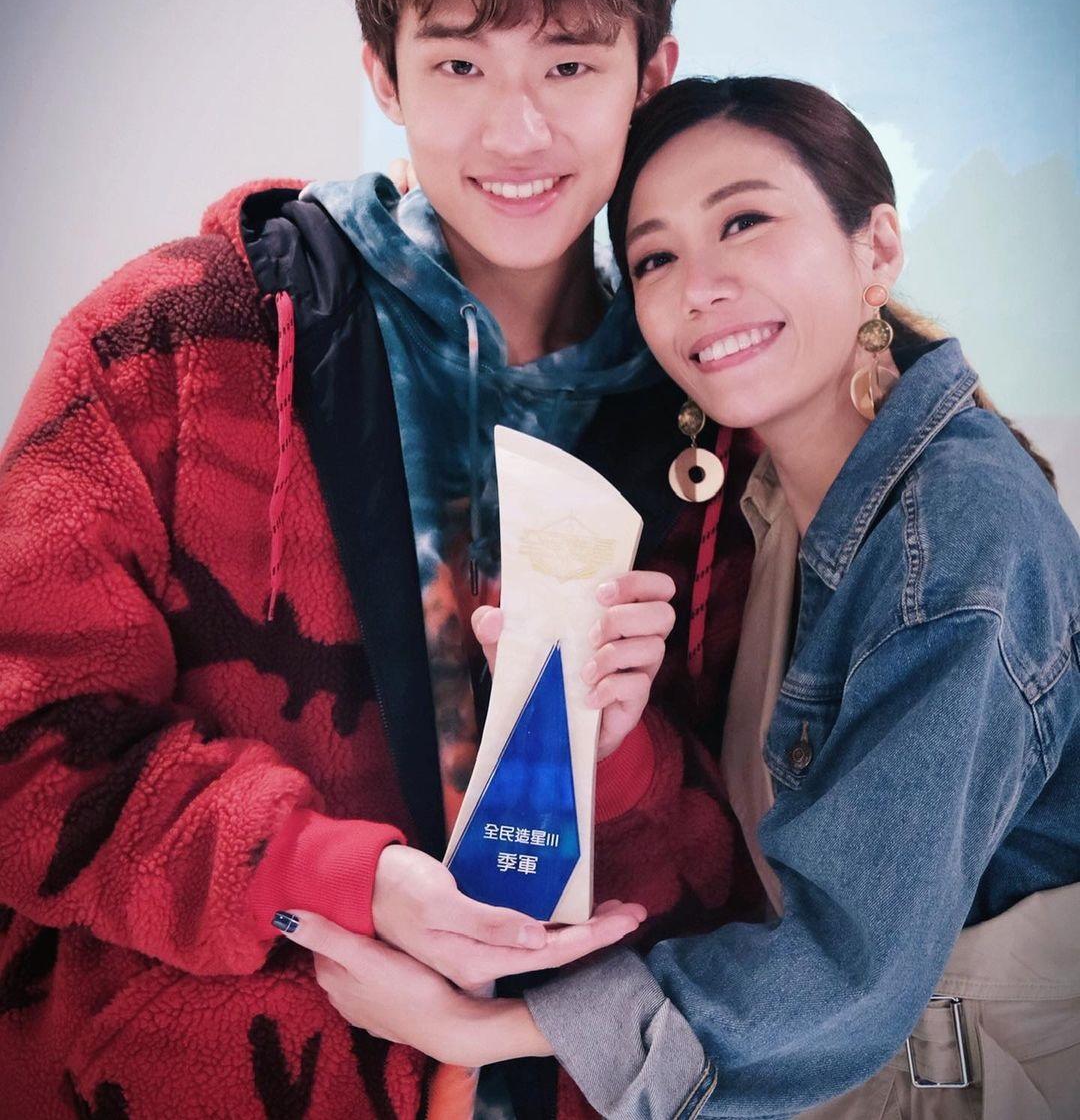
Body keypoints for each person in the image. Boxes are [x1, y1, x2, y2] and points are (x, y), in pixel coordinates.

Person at [0, 0, 763, 1120]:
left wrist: (622, 758)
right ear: (384, 75)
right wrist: (335, 877)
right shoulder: (176, 340)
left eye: (570, 62)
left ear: (651, 75)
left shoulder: (707, 423)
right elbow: (24, 746)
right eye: (460, 61)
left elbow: (724, 879)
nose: (517, 129)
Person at [287, 77, 1080, 1119]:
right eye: (655, 258)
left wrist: (476, 1031)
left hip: (954, 1079)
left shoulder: (959, 535)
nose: (699, 287)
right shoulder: (769, 498)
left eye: (744, 222)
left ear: (876, 248)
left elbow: (848, 961)